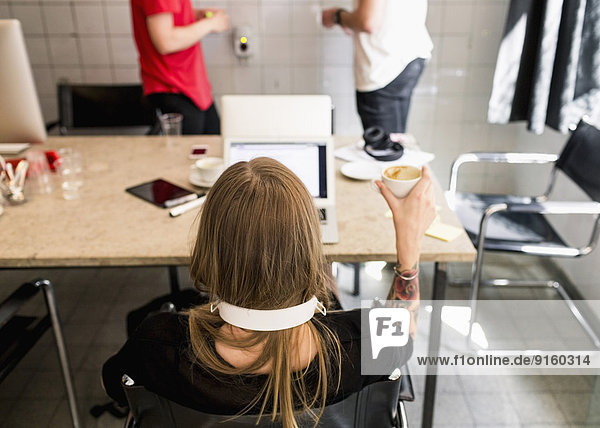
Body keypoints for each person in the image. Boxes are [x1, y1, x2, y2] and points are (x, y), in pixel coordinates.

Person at [102, 158, 435, 427]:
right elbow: (405, 326)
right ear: (308, 251)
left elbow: (115, 387)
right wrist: (409, 248)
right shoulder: (362, 344)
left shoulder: (157, 346)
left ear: (210, 249)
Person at [322, 0, 433, 134]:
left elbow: (367, 22)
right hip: (407, 55)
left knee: (383, 148)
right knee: (394, 140)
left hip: (384, 65)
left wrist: (337, 16)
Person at [130, 0, 230, 134]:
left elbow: (164, 15)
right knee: (191, 151)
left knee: (214, 143)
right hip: (172, 85)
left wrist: (193, 15)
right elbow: (166, 41)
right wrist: (210, 24)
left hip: (191, 86)